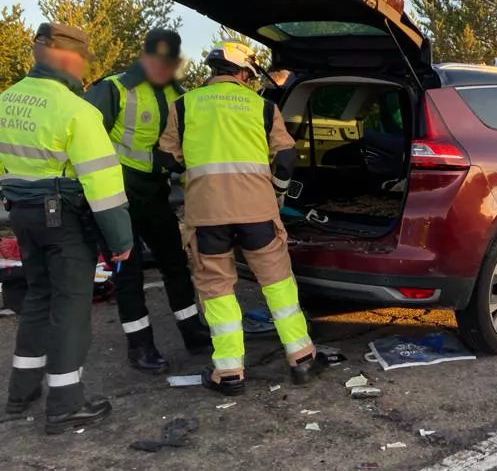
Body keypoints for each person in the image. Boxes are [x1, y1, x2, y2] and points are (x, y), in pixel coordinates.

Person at [157, 41, 323, 395]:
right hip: (258, 214)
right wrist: (276, 193)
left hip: (207, 216)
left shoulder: (183, 107)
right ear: (245, 73)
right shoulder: (263, 107)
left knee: (217, 290)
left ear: (213, 70)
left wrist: (195, 171)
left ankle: (229, 373)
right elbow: (287, 157)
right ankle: (302, 359)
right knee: (277, 283)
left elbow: (167, 160)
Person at [0, 24, 133, 433]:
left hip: (21, 213)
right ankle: (65, 403)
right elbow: (102, 184)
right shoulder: (76, 110)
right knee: (72, 307)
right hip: (62, 218)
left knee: (38, 296)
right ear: (67, 57)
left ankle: (20, 392)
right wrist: (121, 239)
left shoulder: (6, 100)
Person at [84, 29, 210, 372]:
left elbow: (186, 148)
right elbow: (84, 144)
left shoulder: (177, 94)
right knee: (129, 272)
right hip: (115, 197)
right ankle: (139, 346)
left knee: (174, 261)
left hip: (154, 194)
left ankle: (192, 330)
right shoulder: (112, 89)